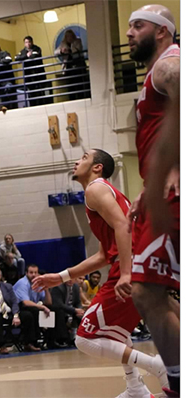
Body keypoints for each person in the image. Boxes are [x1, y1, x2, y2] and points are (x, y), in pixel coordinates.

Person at [32, 148, 168, 396]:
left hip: (133, 265)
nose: (76, 161)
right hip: (141, 263)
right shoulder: (104, 193)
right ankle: (135, 386)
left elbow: (123, 225)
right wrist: (61, 276)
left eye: (84, 157)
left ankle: (158, 366)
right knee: (116, 332)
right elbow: (105, 254)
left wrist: (126, 273)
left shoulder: (95, 189)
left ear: (97, 167)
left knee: (85, 338)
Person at [126, 6, 180, 395]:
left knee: (146, 291)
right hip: (158, 193)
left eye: (138, 25)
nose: (129, 32)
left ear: (162, 32)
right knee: (157, 294)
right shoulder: (155, 74)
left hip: (174, 193)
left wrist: (173, 165)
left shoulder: (169, 64)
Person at [13, 264, 51, 349]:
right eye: (31, 272)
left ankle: (51, 340)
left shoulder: (38, 283)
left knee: (53, 309)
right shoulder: (22, 283)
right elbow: (26, 303)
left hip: (32, 308)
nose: (33, 275)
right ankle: (30, 342)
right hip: (18, 309)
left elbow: (48, 302)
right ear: (26, 273)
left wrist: (46, 288)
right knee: (31, 313)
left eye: (35, 272)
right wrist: (43, 307)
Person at [15, 36, 51, 106]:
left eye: (29, 42)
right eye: (26, 42)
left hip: (38, 75)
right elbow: (17, 59)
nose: (28, 44)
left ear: (32, 42)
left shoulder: (37, 49)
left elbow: (33, 56)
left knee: (40, 92)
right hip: (29, 76)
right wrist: (26, 56)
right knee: (31, 93)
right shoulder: (23, 51)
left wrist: (24, 57)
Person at [55, 29, 89, 100]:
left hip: (78, 65)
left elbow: (78, 49)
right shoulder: (63, 43)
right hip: (69, 66)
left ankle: (81, 98)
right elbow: (56, 52)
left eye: (70, 36)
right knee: (71, 84)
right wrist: (61, 51)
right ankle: (72, 98)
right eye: (68, 37)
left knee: (80, 83)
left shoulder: (77, 41)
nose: (69, 38)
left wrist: (69, 50)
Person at [50, 279, 84, 346]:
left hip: (71, 309)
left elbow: (78, 302)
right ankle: (62, 339)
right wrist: (74, 310)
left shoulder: (76, 287)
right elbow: (59, 304)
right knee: (60, 312)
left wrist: (80, 310)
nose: (70, 280)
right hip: (60, 310)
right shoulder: (57, 287)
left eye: (72, 278)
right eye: (68, 278)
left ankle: (81, 337)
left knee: (83, 314)